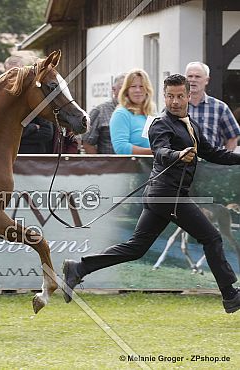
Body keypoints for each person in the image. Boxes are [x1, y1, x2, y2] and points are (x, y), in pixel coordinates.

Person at [62, 74, 240, 314]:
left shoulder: (192, 125)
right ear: (164, 96)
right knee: (212, 237)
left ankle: (79, 268)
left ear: (188, 96)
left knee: (136, 248)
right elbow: (160, 150)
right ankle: (230, 295)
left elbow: (214, 153)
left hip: (162, 196)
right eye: (170, 96)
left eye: (179, 96)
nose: (174, 101)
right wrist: (177, 155)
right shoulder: (160, 123)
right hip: (168, 196)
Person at [3, 55, 54, 154]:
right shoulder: (1, 99)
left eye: (18, 73)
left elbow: (47, 133)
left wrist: (14, 137)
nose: (14, 78)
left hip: (32, 160)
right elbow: (0, 132)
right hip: (6, 158)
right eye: (10, 73)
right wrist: (32, 128)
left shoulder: (37, 98)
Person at [185, 62, 240, 151]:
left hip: (210, 163)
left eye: (197, 77)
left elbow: (233, 136)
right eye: (190, 76)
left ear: (207, 80)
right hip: (182, 163)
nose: (193, 80)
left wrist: (224, 160)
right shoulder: (175, 107)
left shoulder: (220, 108)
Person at [109, 69, 154, 155]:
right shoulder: (121, 114)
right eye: (133, 86)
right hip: (132, 167)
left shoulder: (151, 113)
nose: (138, 90)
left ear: (147, 89)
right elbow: (121, 148)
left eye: (141, 86)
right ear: (126, 90)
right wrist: (154, 152)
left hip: (154, 166)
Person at [81, 73, 126, 154]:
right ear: (114, 89)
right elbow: (87, 143)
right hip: (110, 164)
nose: (126, 93)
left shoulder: (141, 112)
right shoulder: (100, 111)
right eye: (122, 88)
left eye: (128, 88)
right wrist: (98, 164)